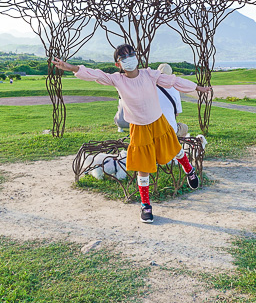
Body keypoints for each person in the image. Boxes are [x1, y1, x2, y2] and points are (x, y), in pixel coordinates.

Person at [52, 44, 211, 224]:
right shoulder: (117, 80)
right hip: (138, 127)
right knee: (143, 167)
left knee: (174, 148)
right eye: (123, 57)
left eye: (131, 54)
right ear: (118, 64)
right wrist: (71, 68)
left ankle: (189, 170)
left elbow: (173, 81)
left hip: (158, 121)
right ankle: (146, 205)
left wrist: (198, 88)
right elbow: (95, 74)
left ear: (136, 57)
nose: (129, 58)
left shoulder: (149, 74)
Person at [155, 63, 185, 137]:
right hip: (170, 130)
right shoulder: (174, 89)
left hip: (153, 130)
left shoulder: (151, 87)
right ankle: (176, 145)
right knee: (184, 127)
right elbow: (177, 113)